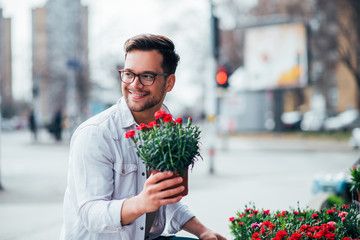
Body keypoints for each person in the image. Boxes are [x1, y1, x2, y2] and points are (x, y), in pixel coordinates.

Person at [60, 34, 226, 240]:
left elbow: (165, 200)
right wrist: (141, 203)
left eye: (147, 76)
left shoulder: (167, 130)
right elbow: (91, 214)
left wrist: (203, 231)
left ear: (169, 82)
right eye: (129, 74)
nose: (135, 84)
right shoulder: (96, 133)